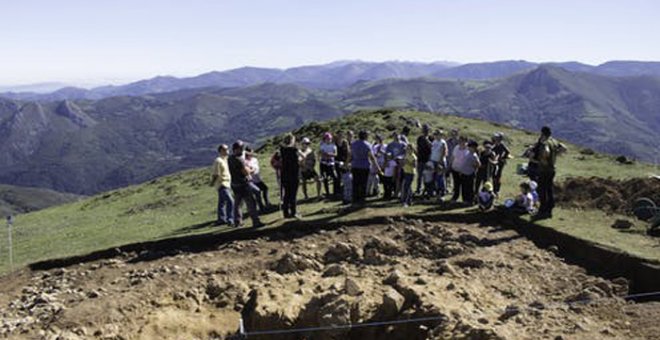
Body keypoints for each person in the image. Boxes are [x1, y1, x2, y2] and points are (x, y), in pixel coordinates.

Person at [532, 126, 567, 219]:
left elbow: (546, 152)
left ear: (542, 133)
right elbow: (564, 148)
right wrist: (556, 155)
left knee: (542, 190)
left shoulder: (545, 143)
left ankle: (542, 210)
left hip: (544, 170)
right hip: (552, 169)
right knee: (549, 189)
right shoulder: (554, 141)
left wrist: (541, 161)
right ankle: (549, 210)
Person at [228, 141, 264, 228]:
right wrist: (252, 170)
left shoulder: (230, 158)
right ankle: (256, 221)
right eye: (241, 149)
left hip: (234, 183)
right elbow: (245, 172)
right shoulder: (239, 160)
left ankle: (237, 222)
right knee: (251, 203)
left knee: (237, 204)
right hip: (243, 184)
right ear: (239, 149)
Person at [350, 130, 381, 205]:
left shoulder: (353, 144)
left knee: (355, 183)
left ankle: (355, 199)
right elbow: (372, 157)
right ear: (365, 136)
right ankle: (361, 199)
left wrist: (346, 163)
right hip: (364, 166)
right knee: (363, 183)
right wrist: (377, 167)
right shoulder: (368, 145)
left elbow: (350, 154)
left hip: (355, 165)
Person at [210, 144, 234, 226]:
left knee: (222, 202)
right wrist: (212, 182)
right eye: (225, 149)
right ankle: (230, 219)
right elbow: (216, 174)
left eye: (227, 149)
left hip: (227, 183)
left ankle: (221, 219)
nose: (227, 150)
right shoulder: (218, 161)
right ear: (220, 151)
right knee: (230, 201)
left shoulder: (226, 159)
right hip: (222, 184)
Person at [451, 138, 480, 204]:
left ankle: (470, 200)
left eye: (470, 147)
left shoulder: (474, 155)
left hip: (469, 174)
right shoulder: (468, 154)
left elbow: (478, 164)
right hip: (464, 173)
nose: (469, 148)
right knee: (464, 188)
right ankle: (465, 199)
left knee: (469, 188)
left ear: (473, 148)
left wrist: (473, 167)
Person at [280, 134, 301, 218]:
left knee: (287, 194)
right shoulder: (294, 150)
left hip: (284, 174)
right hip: (293, 174)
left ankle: (285, 212)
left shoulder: (282, 150)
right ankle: (293, 212)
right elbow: (298, 160)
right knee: (293, 194)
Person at [245, 147, 271, 213]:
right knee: (257, 193)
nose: (252, 153)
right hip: (251, 180)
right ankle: (261, 207)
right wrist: (252, 170)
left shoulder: (254, 159)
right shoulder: (245, 162)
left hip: (258, 178)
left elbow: (256, 168)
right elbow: (248, 171)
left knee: (265, 188)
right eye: (250, 152)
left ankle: (267, 203)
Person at [430, 129, 448, 199]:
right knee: (435, 178)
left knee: (440, 177)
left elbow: (444, 152)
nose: (437, 136)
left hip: (440, 161)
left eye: (438, 135)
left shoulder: (442, 142)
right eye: (436, 134)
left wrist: (440, 162)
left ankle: (442, 191)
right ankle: (437, 191)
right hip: (433, 160)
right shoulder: (434, 142)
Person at [319, 132, 338, 197]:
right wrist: (328, 154)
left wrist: (328, 154)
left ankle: (335, 192)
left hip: (331, 164)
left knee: (335, 177)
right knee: (325, 178)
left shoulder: (333, 146)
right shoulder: (322, 145)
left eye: (330, 139)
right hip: (324, 164)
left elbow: (335, 154)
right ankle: (327, 193)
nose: (328, 140)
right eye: (327, 139)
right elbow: (321, 153)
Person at [415, 124, 433, 195]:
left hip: (428, 160)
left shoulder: (431, 138)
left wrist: (427, 139)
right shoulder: (419, 138)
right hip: (420, 160)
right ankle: (418, 189)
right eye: (424, 130)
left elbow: (432, 147)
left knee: (427, 176)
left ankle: (427, 189)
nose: (425, 131)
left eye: (426, 130)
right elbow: (418, 148)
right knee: (419, 176)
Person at [335, 131, 350, 198]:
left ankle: (345, 190)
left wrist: (346, 162)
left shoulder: (345, 142)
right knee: (337, 177)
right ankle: (337, 192)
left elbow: (348, 152)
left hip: (344, 161)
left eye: (341, 135)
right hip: (336, 162)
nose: (340, 136)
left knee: (345, 176)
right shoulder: (334, 143)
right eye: (339, 135)